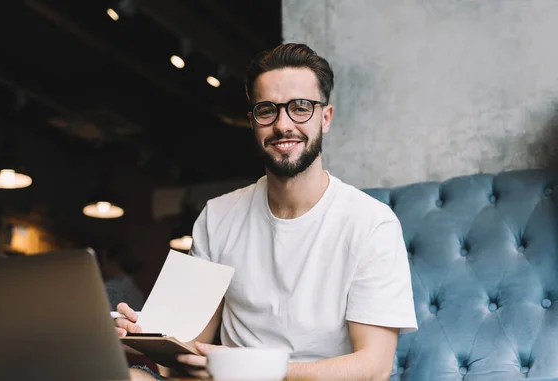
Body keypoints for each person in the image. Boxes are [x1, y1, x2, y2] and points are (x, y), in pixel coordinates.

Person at [117, 43, 418, 381]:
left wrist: (250, 369)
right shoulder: (217, 216)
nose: (282, 124)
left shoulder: (371, 223)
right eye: (266, 110)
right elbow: (189, 345)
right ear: (253, 122)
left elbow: (374, 367)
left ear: (326, 117)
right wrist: (143, 339)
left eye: (300, 108)